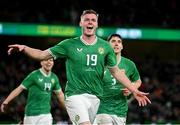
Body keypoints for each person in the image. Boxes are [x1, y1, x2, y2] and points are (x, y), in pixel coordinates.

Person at [7, 9, 151, 125]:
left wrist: (134, 90)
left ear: (97, 24)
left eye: (93, 20)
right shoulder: (68, 44)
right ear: (80, 23)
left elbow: (116, 72)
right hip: (75, 95)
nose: (90, 22)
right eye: (86, 19)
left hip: (95, 98)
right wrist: (24, 48)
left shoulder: (105, 47)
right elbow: (41, 55)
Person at [94, 33, 144, 125]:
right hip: (102, 110)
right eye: (113, 41)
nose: (116, 44)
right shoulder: (99, 63)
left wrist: (132, 88)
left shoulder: (129, 64)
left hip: (121, 111)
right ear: (107, 45)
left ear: (122, 46)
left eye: (119, 42)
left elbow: (138, 81)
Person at [0, 58, 65, 125]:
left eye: (51, 60)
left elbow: (60, 95)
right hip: (31, 114)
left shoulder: (54, 77)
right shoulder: (34, 75)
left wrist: (68, 109)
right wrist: (6, 101)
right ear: (41, 62)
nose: (49, 62)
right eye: (46, 60)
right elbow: (19, 89)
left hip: (46, 114)